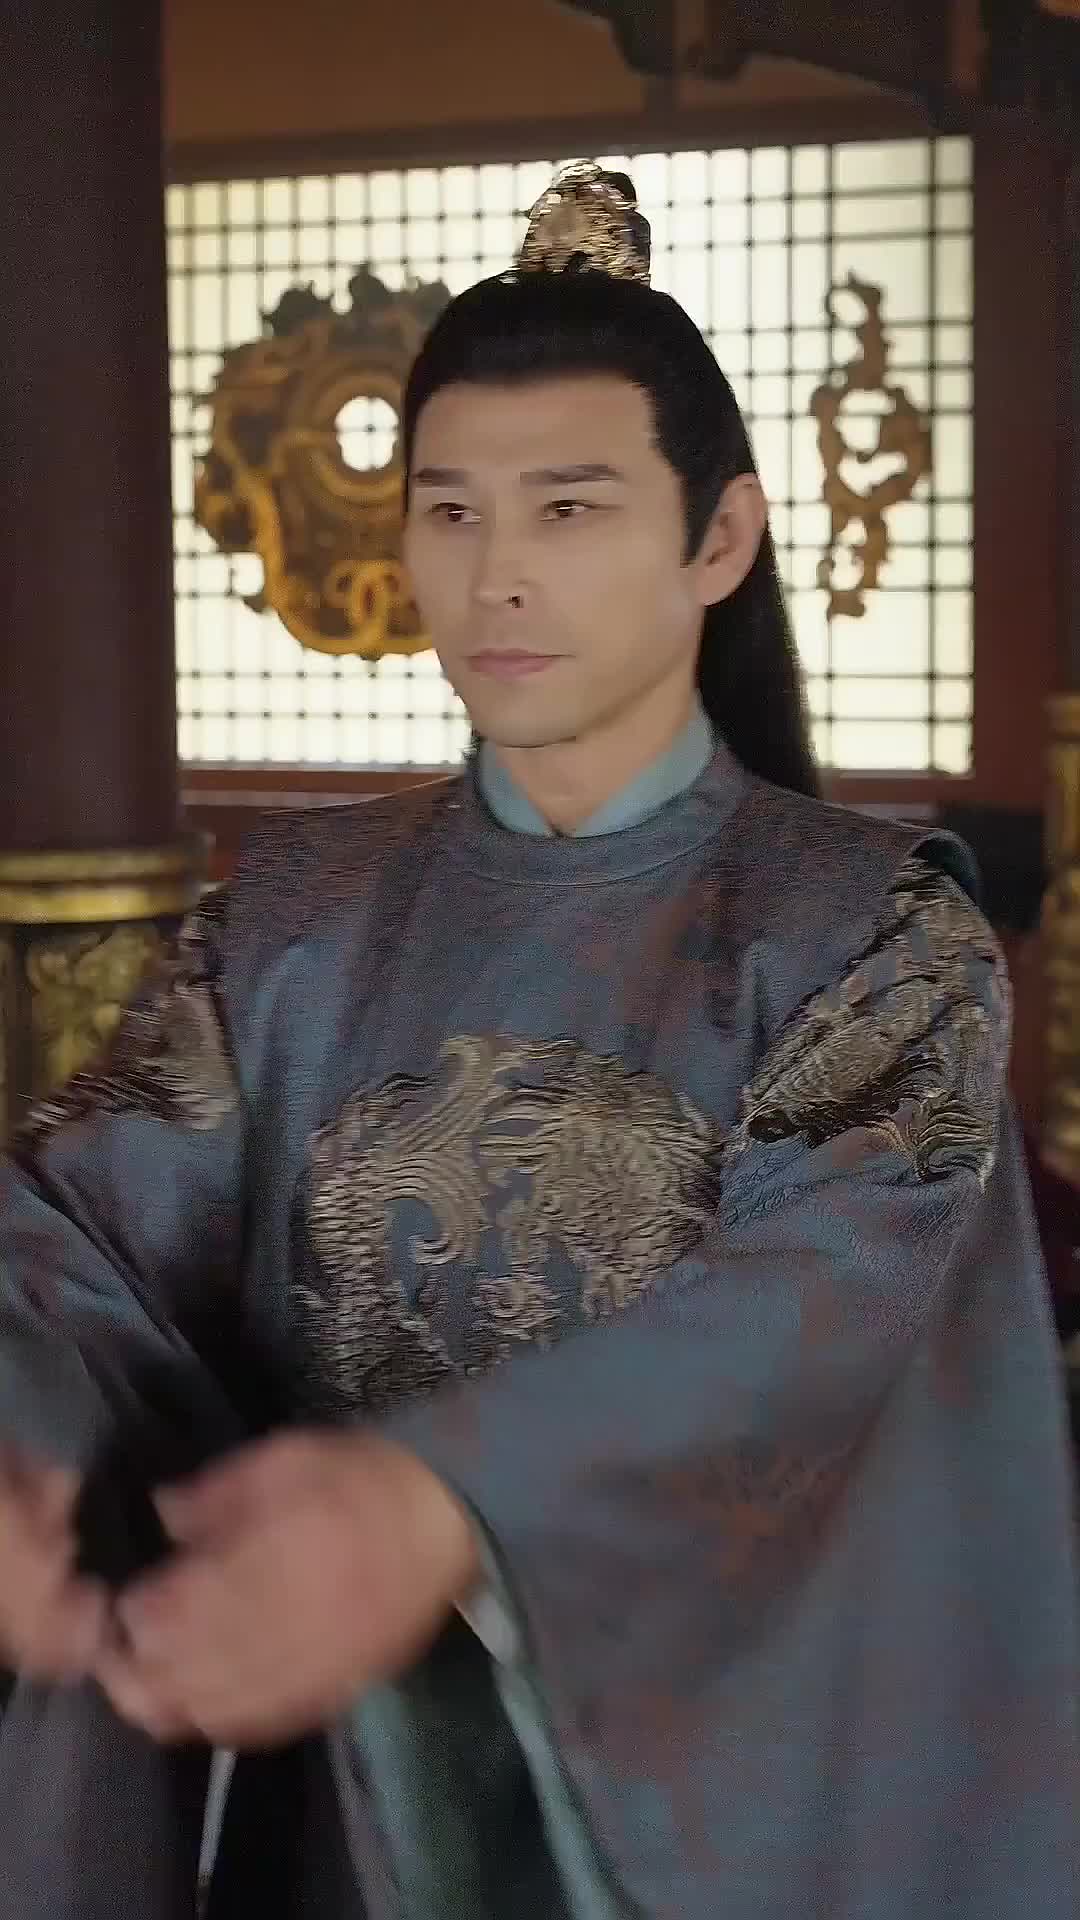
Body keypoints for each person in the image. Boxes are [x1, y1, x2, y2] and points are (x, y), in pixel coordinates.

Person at [0, 163, 1075, 1920]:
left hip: (701, 1789)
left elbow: (805, 1320)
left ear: (716, 540)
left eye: (570, 509)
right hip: (346, 1797)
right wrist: (22, 1435)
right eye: (450, 512)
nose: (497, 576)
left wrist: (445, 1506)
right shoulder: (290, 923)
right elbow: (82, 1244)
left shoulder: (875, 937)